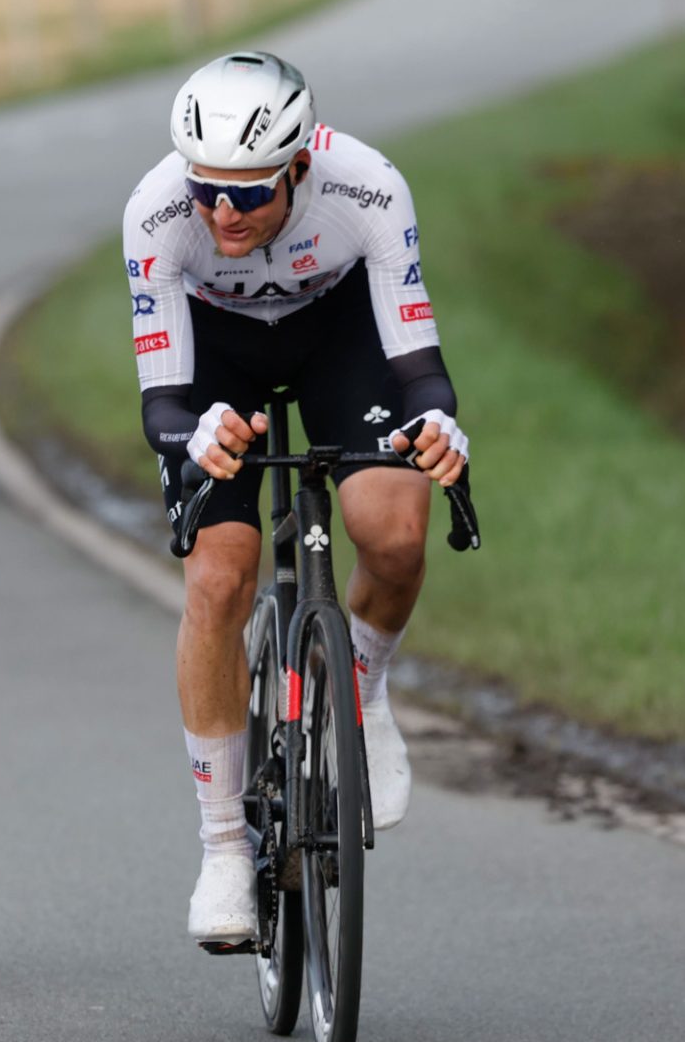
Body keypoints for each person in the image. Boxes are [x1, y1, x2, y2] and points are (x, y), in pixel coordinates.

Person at [122, 52, 470, 941]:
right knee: (219, 581)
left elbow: (417, 361)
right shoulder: (159, 216)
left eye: (249, 193)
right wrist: (194, 436)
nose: (224, 213)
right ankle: (225, 849)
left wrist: (440, 427)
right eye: (208, 191)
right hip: (216, 357)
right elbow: (164, 398)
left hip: (337, 335)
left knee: (391, 535)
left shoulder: (369, 188)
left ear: (302, 166)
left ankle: (362, 685)